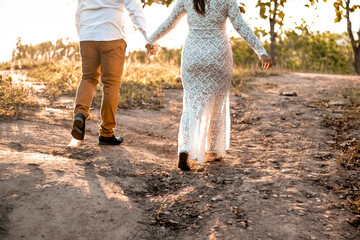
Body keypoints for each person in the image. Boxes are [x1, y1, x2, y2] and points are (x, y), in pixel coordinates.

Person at [146, 0, 272, 169]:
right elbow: (240, 26)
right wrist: (261, 52)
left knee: (191, 103)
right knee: (216, 104)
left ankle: (185, 147)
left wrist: (152, 40)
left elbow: (170, 22)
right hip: (218, 56)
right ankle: (211, 151)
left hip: (193, 55)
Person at [71, 0, 158, 145]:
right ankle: (106, 132)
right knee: (111, 84)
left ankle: (80, 114)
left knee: (88, 78)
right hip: (112, 36)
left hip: (88, 36)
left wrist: (84, 35)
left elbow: (78, 13)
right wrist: (150, 38)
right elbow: (135, 9)